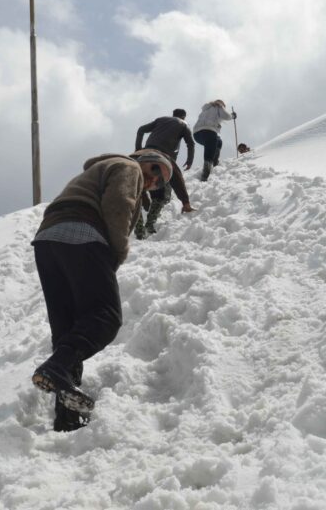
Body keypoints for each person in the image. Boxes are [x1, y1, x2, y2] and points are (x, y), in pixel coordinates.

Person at [31, 148, 172, 431]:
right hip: (83, 234)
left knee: (69, 328)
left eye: (161, 183)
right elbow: (118, 204)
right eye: (157, 172)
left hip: (48, 240)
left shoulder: (95, 170)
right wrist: (115, 255)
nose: (155, 182)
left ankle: (66, 410)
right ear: (146, 161)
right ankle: (56, 368)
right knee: (105, 317)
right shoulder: (128, 166)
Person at [133, 108, 196, 237]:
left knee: (134, 192)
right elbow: (190, 144)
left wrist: (138, 149)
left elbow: (140, 130)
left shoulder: (160, 120)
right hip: (163, 155)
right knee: (160, 196)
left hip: (140, 154)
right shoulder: (183, 124)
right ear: (184, 116)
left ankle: (138, 229)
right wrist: (185, 203)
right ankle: (150, 224)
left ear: (173, 115)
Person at [192, 100, 235, 181]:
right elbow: (226, 116)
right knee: (213, 143)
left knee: (218, 142)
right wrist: (232, 116)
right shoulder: (218, 106)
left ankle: (214, 161)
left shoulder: (205, 109)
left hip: (197, 134)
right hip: (208, 131)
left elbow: (211, 118)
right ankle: (207, 170)